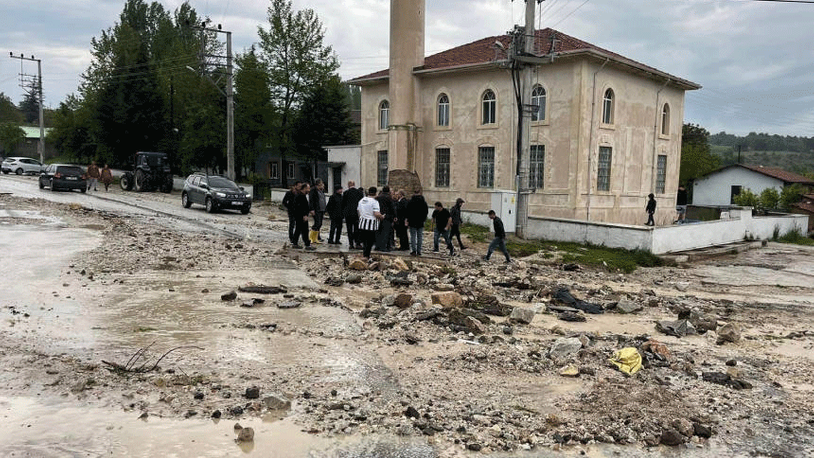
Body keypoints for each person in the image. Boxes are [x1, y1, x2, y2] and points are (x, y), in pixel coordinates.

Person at [357, 186, 383, 259]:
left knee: (364, 241)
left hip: (362, 223)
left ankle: (365, 254)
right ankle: (367, 255)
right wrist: (382, 217)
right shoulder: (375, 202)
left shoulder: (361, 200)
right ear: (375, 193)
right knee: (370, 241)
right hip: (371, 224)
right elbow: (376, 213)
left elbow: (358, 211)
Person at [405, 188, 428, 256]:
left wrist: (408, 220)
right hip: (420, 221)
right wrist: (424, 219)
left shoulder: (411, 201)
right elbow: (426, 211)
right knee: (420, 236)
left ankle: (414, 250)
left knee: (413, 236)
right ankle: (419, 250)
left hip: (412, 221)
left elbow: (408, 211)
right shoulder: (423, 202)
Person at [292, 182, 315, 250]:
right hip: (300, 216)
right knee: (303, 230)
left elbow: (305, 206)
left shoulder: (302, 196)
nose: (309, 190)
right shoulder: (299, 196)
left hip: (301, 216)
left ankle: (296, 243)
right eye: (308, 188)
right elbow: (299, 207)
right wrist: (304, 215)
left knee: (299, 230)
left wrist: (309, 211)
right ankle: (306, 244)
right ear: (304, 188)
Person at [341, 180, 363, 249]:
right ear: (354, 184)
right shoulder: (359, 192)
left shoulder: (345, 193)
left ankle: (351, 244)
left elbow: (343, 204)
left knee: (349, 229)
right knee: (357, 229)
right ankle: (358, 243)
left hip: (348, 214)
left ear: (348, 185)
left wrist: (343, 213)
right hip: (357, 213)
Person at [375, 186, 395, 252]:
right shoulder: (389, 198)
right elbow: (392, 208)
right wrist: (394, 216)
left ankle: (377, 246)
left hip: (378, 216)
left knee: (378, 231)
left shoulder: (378, 198)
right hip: (387, 216)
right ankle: (384, 246)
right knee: (386, 232)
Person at [309, 179, 327, 243]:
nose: (323, 186)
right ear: (317, 185)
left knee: (320, 224)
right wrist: (312, 209)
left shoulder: (322, 191)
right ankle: (311, 237)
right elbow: (311, 201)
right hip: (316, 209)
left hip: (321, 209)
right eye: (321, 184)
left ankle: (317, 237)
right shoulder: (313, 191)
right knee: (317, 223)